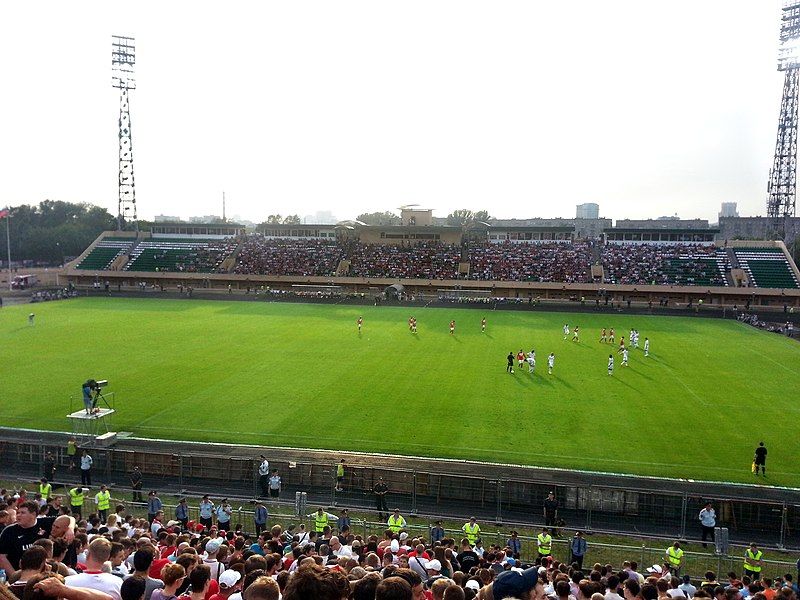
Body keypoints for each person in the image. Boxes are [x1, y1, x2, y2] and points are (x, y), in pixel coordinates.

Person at [0, 500, 58, 574]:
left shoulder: (45, 523)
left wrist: (70, 530)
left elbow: (68, 519)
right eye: (18, 512)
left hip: (41, 576)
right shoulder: (9, 531)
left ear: (33, 514)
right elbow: (2, 557)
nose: (18, 515)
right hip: (18, 574)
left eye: (23, 513)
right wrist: (15, 577)